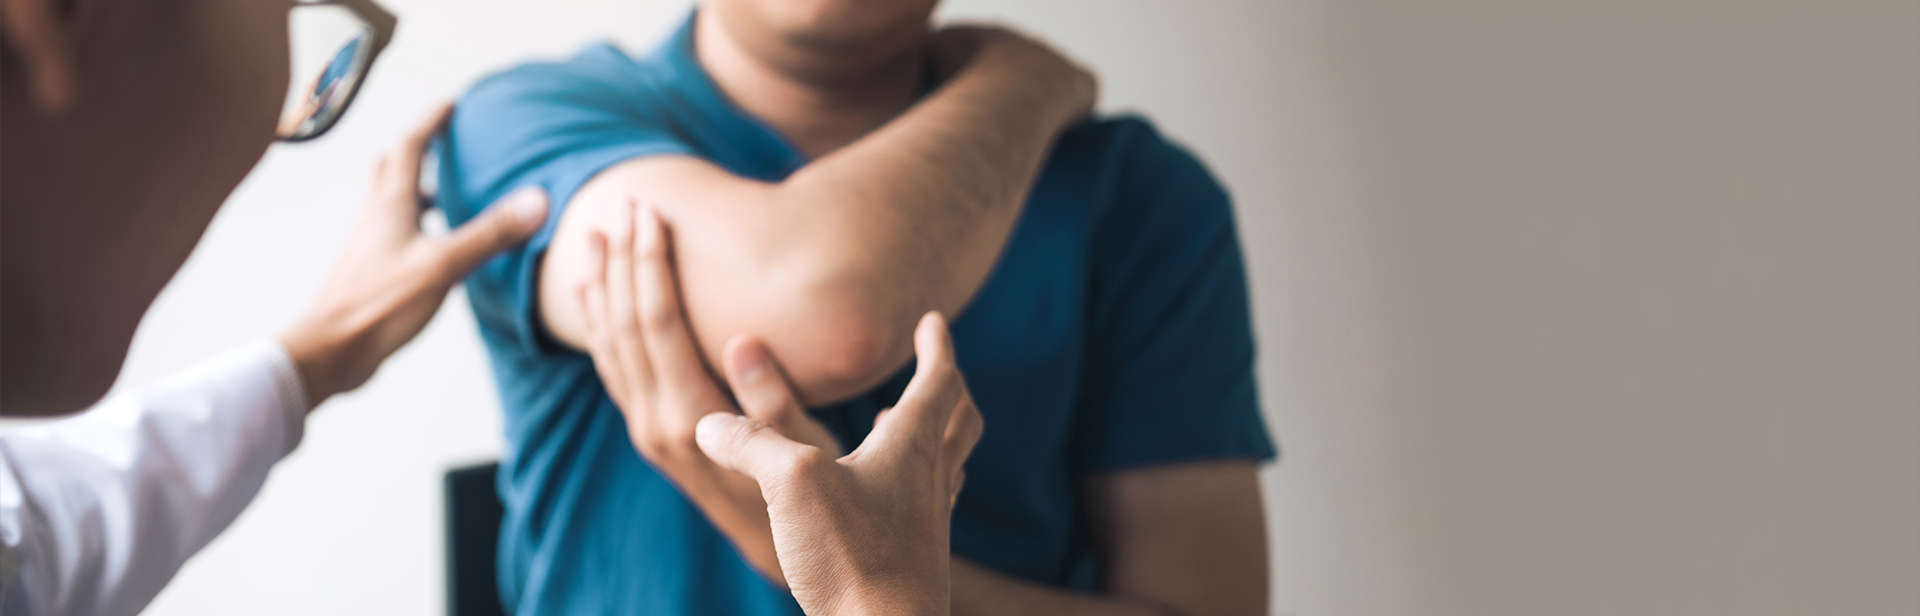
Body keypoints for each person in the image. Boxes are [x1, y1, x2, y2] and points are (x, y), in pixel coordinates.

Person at [0, 0, 986, 613]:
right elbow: (822, 316)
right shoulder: (536, 110)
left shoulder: (1122, 183)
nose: (274, 123)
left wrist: (314, 356)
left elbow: (44, 533)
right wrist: (880, 594)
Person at [438, 0, 1276, 614]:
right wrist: (1027, 83)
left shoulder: (1135, 198)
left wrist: (847, 573)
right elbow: (823, 314)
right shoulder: (526, 119)